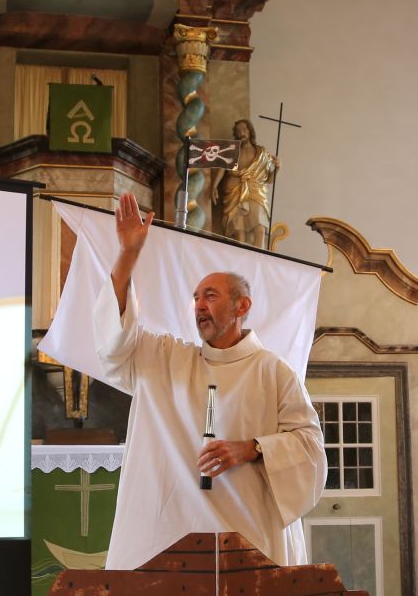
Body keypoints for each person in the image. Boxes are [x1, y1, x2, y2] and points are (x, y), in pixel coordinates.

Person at [93, 192, 325, 568]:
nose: (199, 305)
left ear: (242, 306)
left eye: (211, 296)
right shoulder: (165, 359)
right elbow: (114, 340)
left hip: (250, 538)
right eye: (196, 297)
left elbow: (310, 448)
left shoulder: (272, 371)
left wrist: (251, 448)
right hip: (170, 538)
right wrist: (128, 254)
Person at [218, 118, 277, 250]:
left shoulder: (262, 153)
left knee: (260, 227)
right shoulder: (232, 151)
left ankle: (259, 257)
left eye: (244, 129)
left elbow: (269, 180)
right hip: (235, 191)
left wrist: (277, 168)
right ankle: (242, 260)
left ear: (250, 131)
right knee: (240, 231)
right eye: (238, 130)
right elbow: (222, 167)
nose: (241, 133)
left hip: (256, 191)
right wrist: (213, 186)